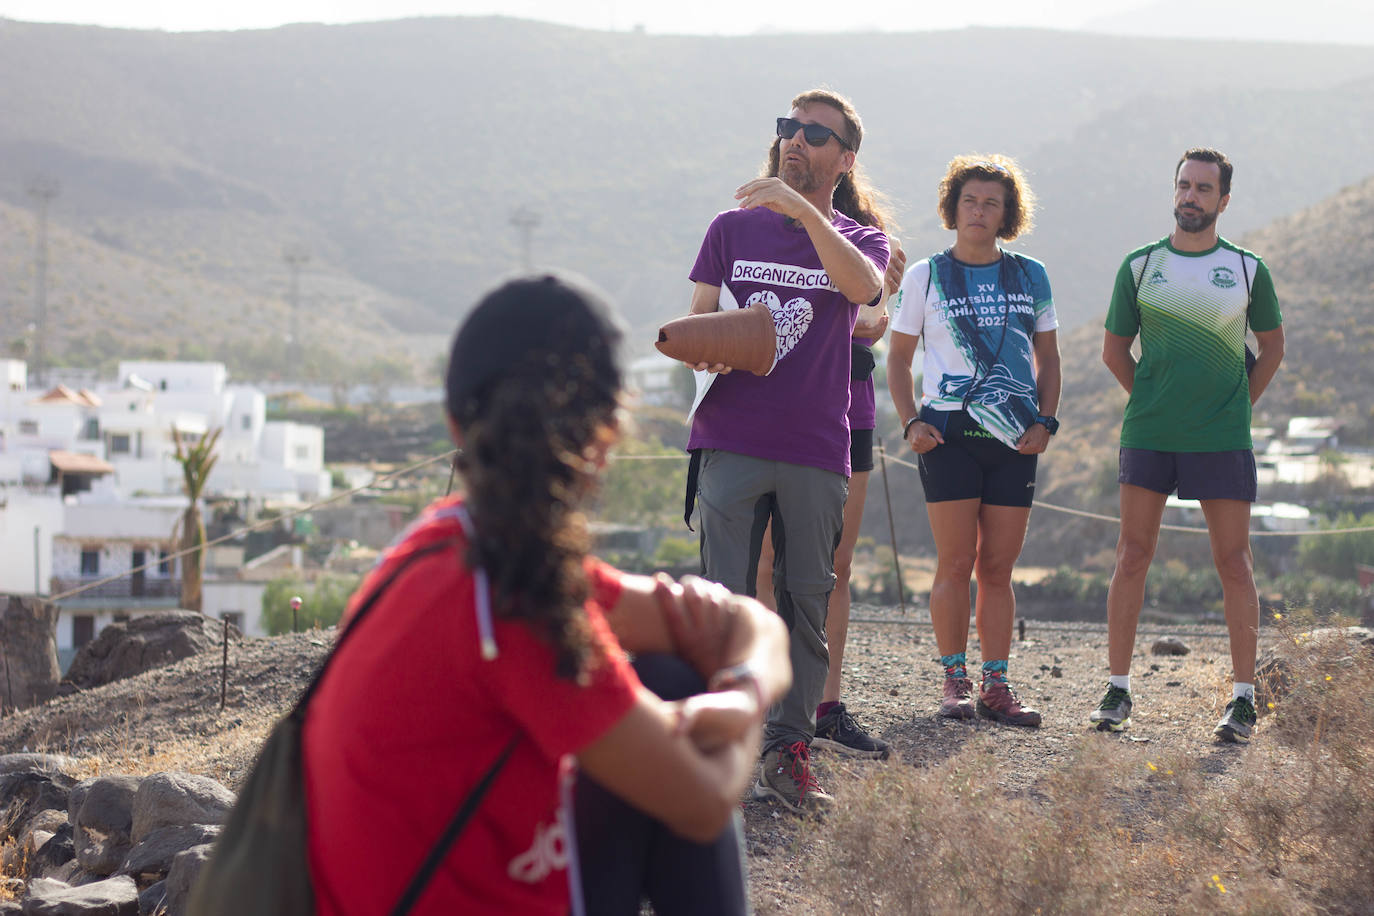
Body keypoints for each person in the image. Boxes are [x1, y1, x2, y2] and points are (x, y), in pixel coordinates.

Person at [303, 273, 791, 915]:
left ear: (456, 421)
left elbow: (753, 628)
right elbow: (702, 804)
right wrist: (740, 711)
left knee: (667, 674)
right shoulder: (518, 603)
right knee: (672, 684)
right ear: (609, 435)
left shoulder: (448, 546)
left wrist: (739, 687)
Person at [677, 88, 889, 813]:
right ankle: (716, 747)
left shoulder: (862, 241)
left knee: (805, 602)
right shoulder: (730, 229)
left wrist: (802, 212)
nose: (795, 141)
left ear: (844, 157)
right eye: (787, 129)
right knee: (725, 602)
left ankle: (788, 752)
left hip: (813, 448)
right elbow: (699, 321)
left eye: (814, 135)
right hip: (730, 439)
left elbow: (861, 292)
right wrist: (705, 347)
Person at [1092, 148, 1284, 743]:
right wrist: (1152, 397)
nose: (1191, 196)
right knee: (1131, 556)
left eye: (1204, 188)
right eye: (1183, 185)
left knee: (1234, 563)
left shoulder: (1249, 270)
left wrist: (1234, 408)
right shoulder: (1141, 266)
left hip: (1222, 439)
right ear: (1173, 191)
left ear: (1224, 200)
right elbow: (1114, 351)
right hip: (1150, 435)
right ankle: (1117, 689)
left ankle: (1243, 700)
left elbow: (1272, 348)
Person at [887, 154, 1060, 728]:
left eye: (991, 202)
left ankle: (997, 685)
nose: (979, 211)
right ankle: (954, 679)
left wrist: (1047, 422)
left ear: (1007, 212)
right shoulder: (926, 276)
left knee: (998, 570)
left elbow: (1049, 358)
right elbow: (899, 358)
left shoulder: (1030, 274)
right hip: (949, 436)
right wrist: (911, 421)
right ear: (952, 208)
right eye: (970, 200)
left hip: (1015, 437)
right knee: (955, 562)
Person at [754, 240, 906, 761]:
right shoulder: (756, 231)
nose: (801, 153)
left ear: (845, 160)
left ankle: (826, 709)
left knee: (834, 564)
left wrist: (879, 301)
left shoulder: (872, 237)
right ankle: (770, 706)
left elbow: (870, 323)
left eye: (822, 149)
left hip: (850, 409)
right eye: (792, 149)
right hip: (773, 406)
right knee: (767, 563)